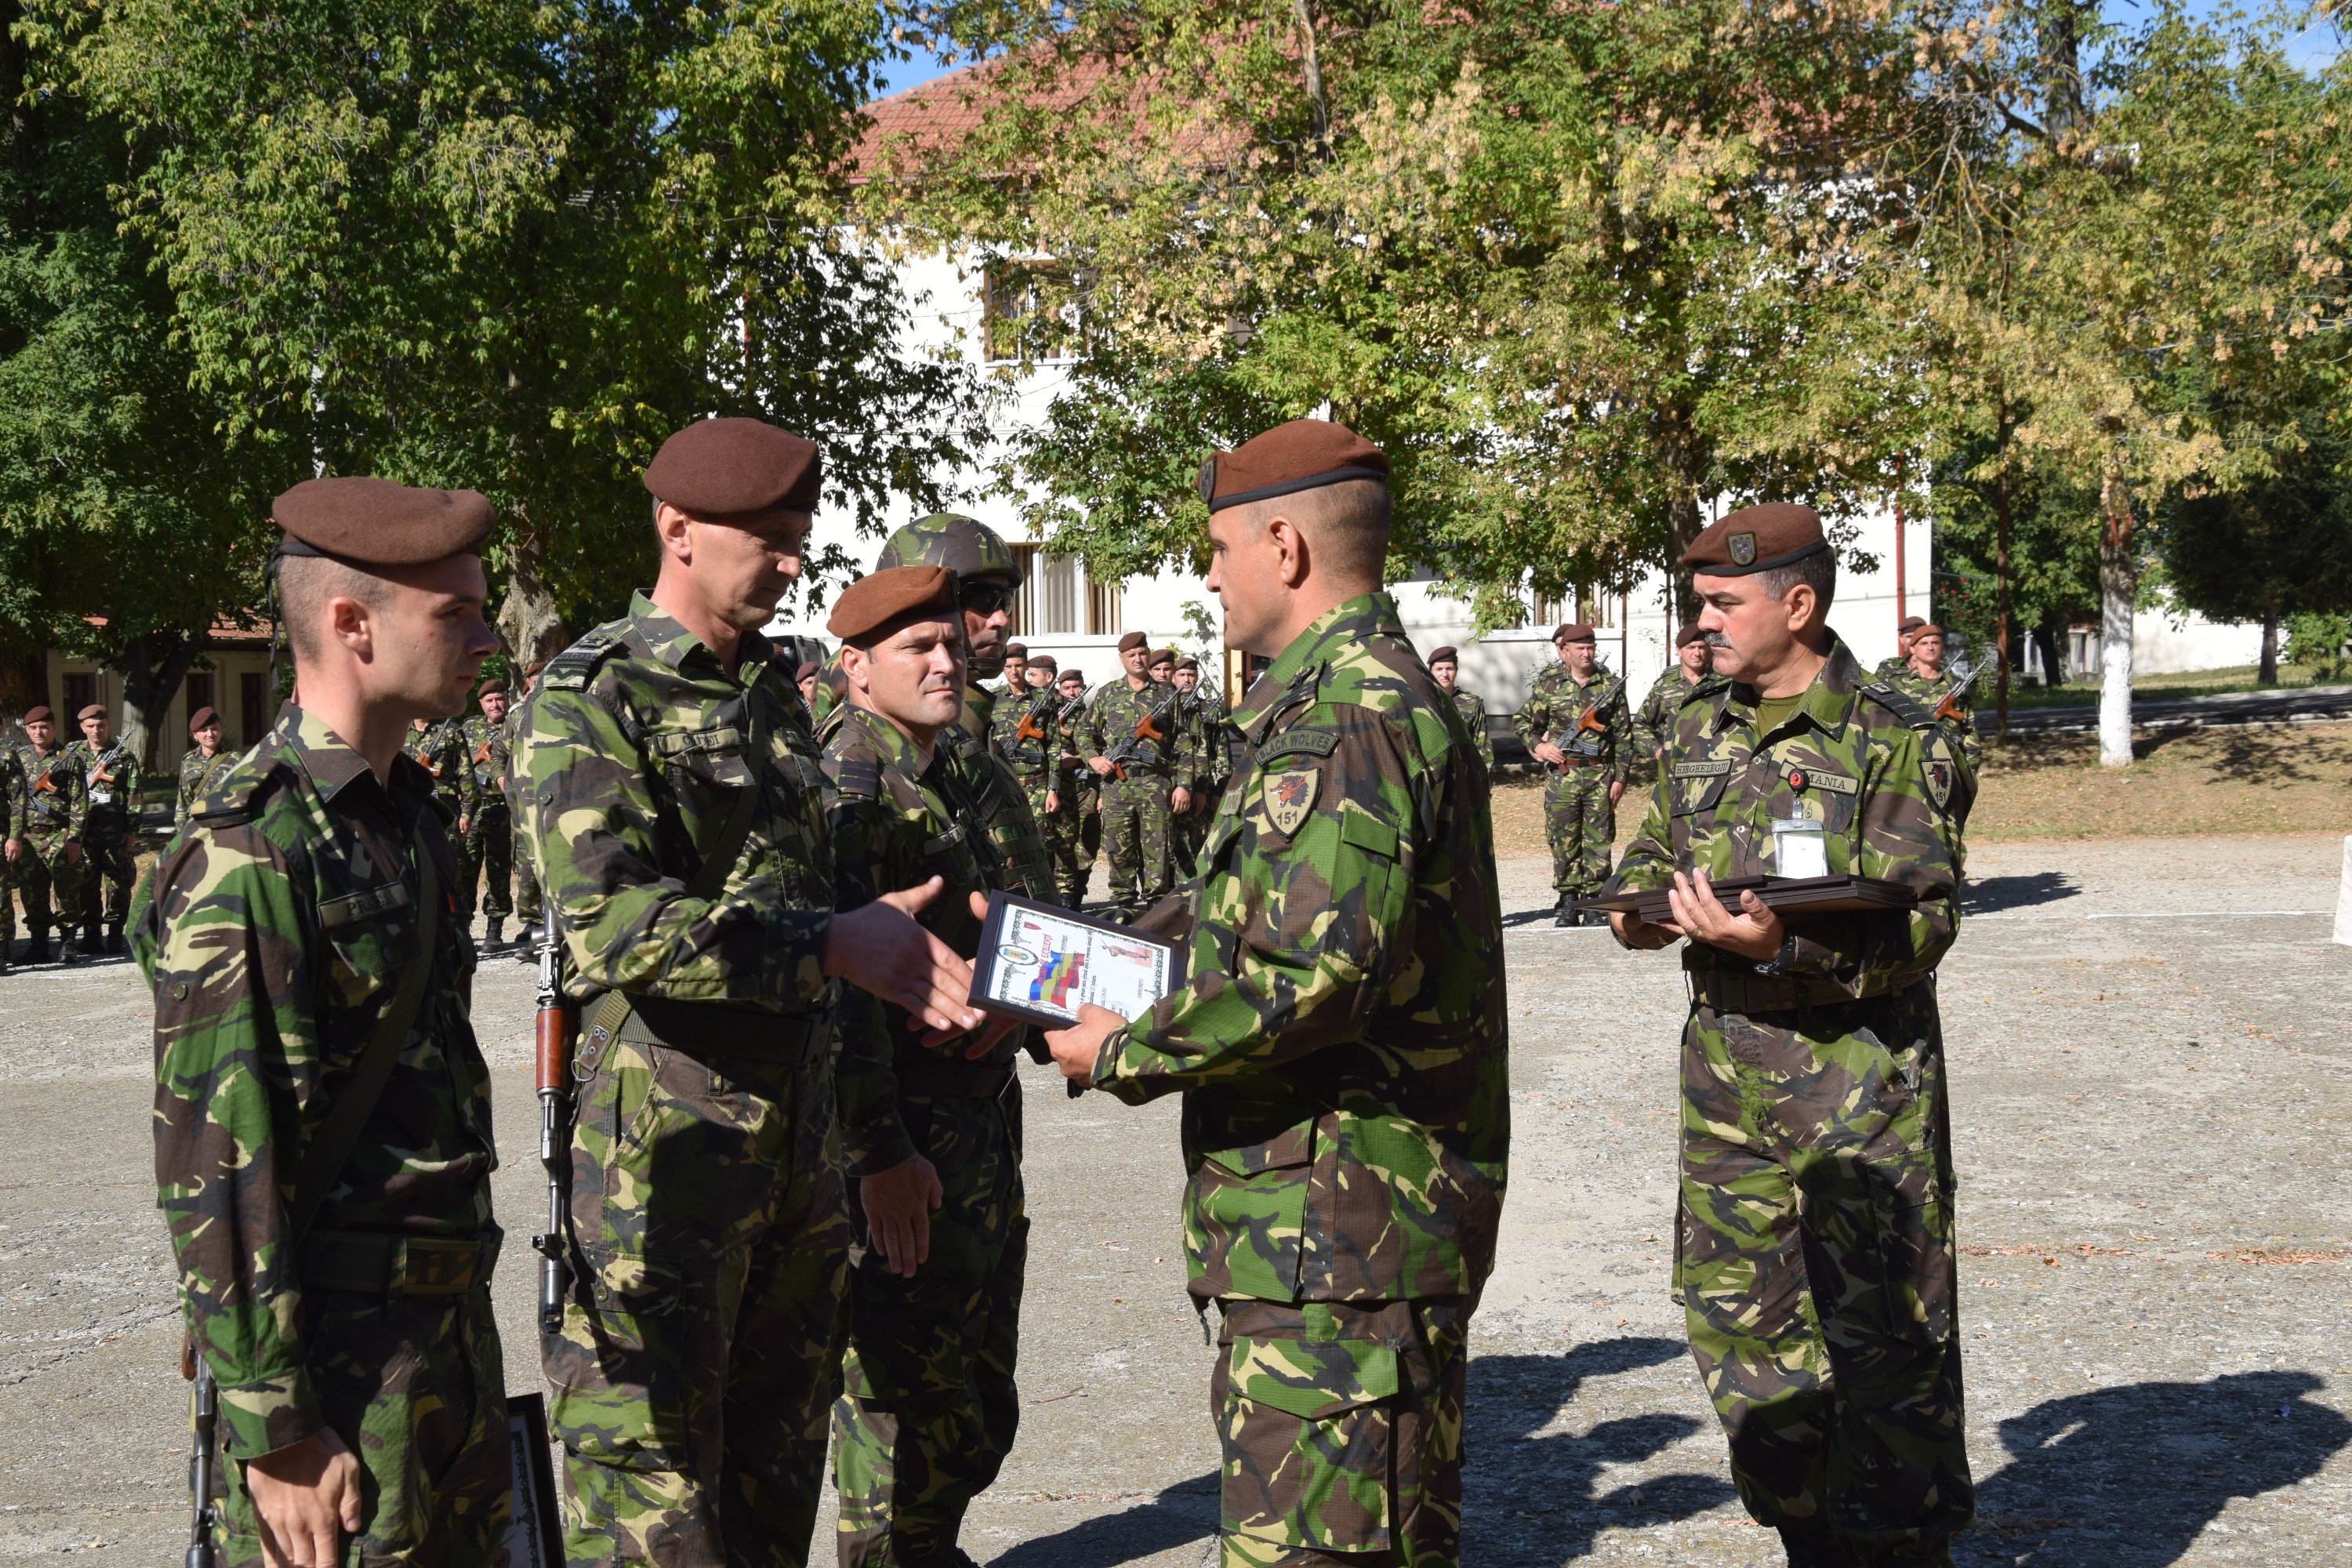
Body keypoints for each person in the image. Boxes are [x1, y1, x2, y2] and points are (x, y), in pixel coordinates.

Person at [517, 416, 987, 1568]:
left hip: (797, 1166)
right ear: (677, 529)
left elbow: (847, 942)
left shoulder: (774, 698)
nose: (790, 566)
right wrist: (826, 944)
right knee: (652, 1509)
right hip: (661, 1170)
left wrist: (874, 1135)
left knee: (775, 1493)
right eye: (767, 540)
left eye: (798, 539)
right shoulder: (593, 694)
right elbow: (615, 924)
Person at [1040, 419, 1509, 1568]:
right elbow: (1278, 926)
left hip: (1341, 1239)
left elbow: (1313, 978)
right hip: (1330, 1239)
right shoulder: (1339, 704)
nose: (1208, 574)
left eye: (1218, 548)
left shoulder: (1348, 716)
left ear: (1285, 546)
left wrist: (1123, 1049)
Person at [136, 475, 513, 1566]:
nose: (487, 637)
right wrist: (274, 1425)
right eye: (457, 613)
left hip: (442, 1340)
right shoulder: (253, 854)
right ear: (352, 625)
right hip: (337, 1368)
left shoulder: (407, 821)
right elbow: (218, 1154)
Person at [1607, 503, 1974, 1568]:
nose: (1704, 623)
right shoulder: (1690, 726)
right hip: (1726, 1085)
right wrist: (1636, 907)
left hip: (1859, 1090)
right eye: (1700, 604)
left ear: (1798, 603)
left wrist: (1782, 949)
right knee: (1741, 1325)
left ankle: (1900, 1549)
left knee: (1886, 1338)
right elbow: (1652, 850)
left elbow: (1926, 919)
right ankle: (1805, 1533)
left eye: (1725, 603)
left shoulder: (1898, 733)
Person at [819, 568, 1033, 1568]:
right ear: (856, 667)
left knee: (974, 1387)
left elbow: (1009, 917)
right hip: (906, 1128)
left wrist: (1024, 995)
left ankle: (928, 1549)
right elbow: (838, 997)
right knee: (898, 1397)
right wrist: (879, 1151)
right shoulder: (849, 788)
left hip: (979, 1110)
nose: (949, 660)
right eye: (918, 648)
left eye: (952, 643)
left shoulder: (954, 770)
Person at [872, 516, 1056, 902]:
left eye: (1005, 601)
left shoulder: (963, 711)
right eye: (981, 599)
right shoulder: (880, 714)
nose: (1002, 619)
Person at [1512, 623, 1629, 926]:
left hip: (1599, 774)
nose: (1587, 653)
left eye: (1591, 647)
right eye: (1580, 648)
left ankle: (1595, 902)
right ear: (1567, 651)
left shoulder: (1609, 685)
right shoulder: (1550, 685)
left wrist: (1620, 778)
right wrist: (1541, 746)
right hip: (1563, 776)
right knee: (1562, 839)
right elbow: (1524, 722)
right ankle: (1569, 901)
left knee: (1599, 839)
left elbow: (1624, 737)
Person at [1079, 633, 1187, 920]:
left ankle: (1157, 909)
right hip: (1117, 785)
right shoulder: (1107, 694)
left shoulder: (1166, 695)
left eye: (1142, 653)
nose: (1138, 660)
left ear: (1148, 654)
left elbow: (1185, 743)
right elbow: (1083, 731)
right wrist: (1094, 758)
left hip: (1156, 783)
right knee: (1118, 847)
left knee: (1159, 849)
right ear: (1122, 659)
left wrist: (1185, 786)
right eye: (1131, 656)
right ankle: (1123, 906)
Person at [10, 705, 89, 964]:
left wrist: (75, 837)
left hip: (60, 834)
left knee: (66, 890)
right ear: (27, 730)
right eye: (33, 728)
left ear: (54, 727)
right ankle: (39, 944)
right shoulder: (19, 757)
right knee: (32, 893)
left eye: (44, 727)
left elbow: (79, 801)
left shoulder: (68, 757)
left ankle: (68, 942)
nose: (39, 732)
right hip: (29, 837)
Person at [68, 703, 141, 954]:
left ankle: (114, 935)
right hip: (84, 831)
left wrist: (132, 830)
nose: (96, 730)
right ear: (82, 728)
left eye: (101, 725)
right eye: (90, 726)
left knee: (118, 884)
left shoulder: (124, 757)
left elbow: (135, 796)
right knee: (86, 883)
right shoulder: (72, 754)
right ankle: (91, 934)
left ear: (109, 724)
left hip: (115, 831)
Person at [459, 681, 514, 948]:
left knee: (498, 870)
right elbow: (459, 763)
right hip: (473, 808)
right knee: (466, 868)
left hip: (502, 808)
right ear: (481, 704)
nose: (495, 705)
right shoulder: (469, 728)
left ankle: (494, 929)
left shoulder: (517, 725)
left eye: (499, 699)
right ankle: (463, 927)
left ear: (507, 699)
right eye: (489, 700)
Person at [1631, 625, 1715, 777]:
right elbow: (1639, 725)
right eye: (1691, 647)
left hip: (1713, 768)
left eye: (1702, 647)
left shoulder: (1721, 683)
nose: (1697, 653)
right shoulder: (1665, 686)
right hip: (1676, 769)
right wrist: (1657, 751)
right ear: (1678, 651)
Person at [506, 662, 546, 960]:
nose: (538, 684)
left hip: (559, 803)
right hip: (524, 806)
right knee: (529, 870)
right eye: (534, 680)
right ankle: (534, 931)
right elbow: (497, 752)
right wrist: (500, 779)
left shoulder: (566, 707)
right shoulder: (518, 716)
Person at [1902, 625, 1981, 772]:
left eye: (1935, 643)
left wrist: (1971, 770)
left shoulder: (1957, 684)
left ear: (1942, 647)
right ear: (1912, 649)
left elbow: (1969, 729)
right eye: (1924, 643)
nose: (1930, 647)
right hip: (1910, 765)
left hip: (1951, 763)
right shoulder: (1898, 685)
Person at [1426, 646, 1493, 773]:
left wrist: (1484, 780)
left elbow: (1483, 745)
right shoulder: (1422, 701)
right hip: (1434, 774)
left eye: (1449, 669)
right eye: (1439, 669)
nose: (1444, 674)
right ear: (1430, 672)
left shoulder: (1473, 703)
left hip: (1464, 773)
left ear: (1456, 671)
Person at [400, 713, 470, 829]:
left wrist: (467, 813)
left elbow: (466, 774)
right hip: (409, 811)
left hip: (445, 811)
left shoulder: (450, 731)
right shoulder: (400, 731)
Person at [177, 706, 240, 826]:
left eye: (214, 729)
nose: (210, 734)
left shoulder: (235, 759)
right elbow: (183, 801)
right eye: (204, 730)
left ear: (220, 731)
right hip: (196, 825)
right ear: (194, 735)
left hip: (226, 824)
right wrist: (181, 834)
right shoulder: (188, 760)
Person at [1872, 615, 1927, 683]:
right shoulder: (1887, 668)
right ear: (1901, 639)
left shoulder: (1939, 668)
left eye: (1918, 636)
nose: (1914, 640)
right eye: (1909, 637)